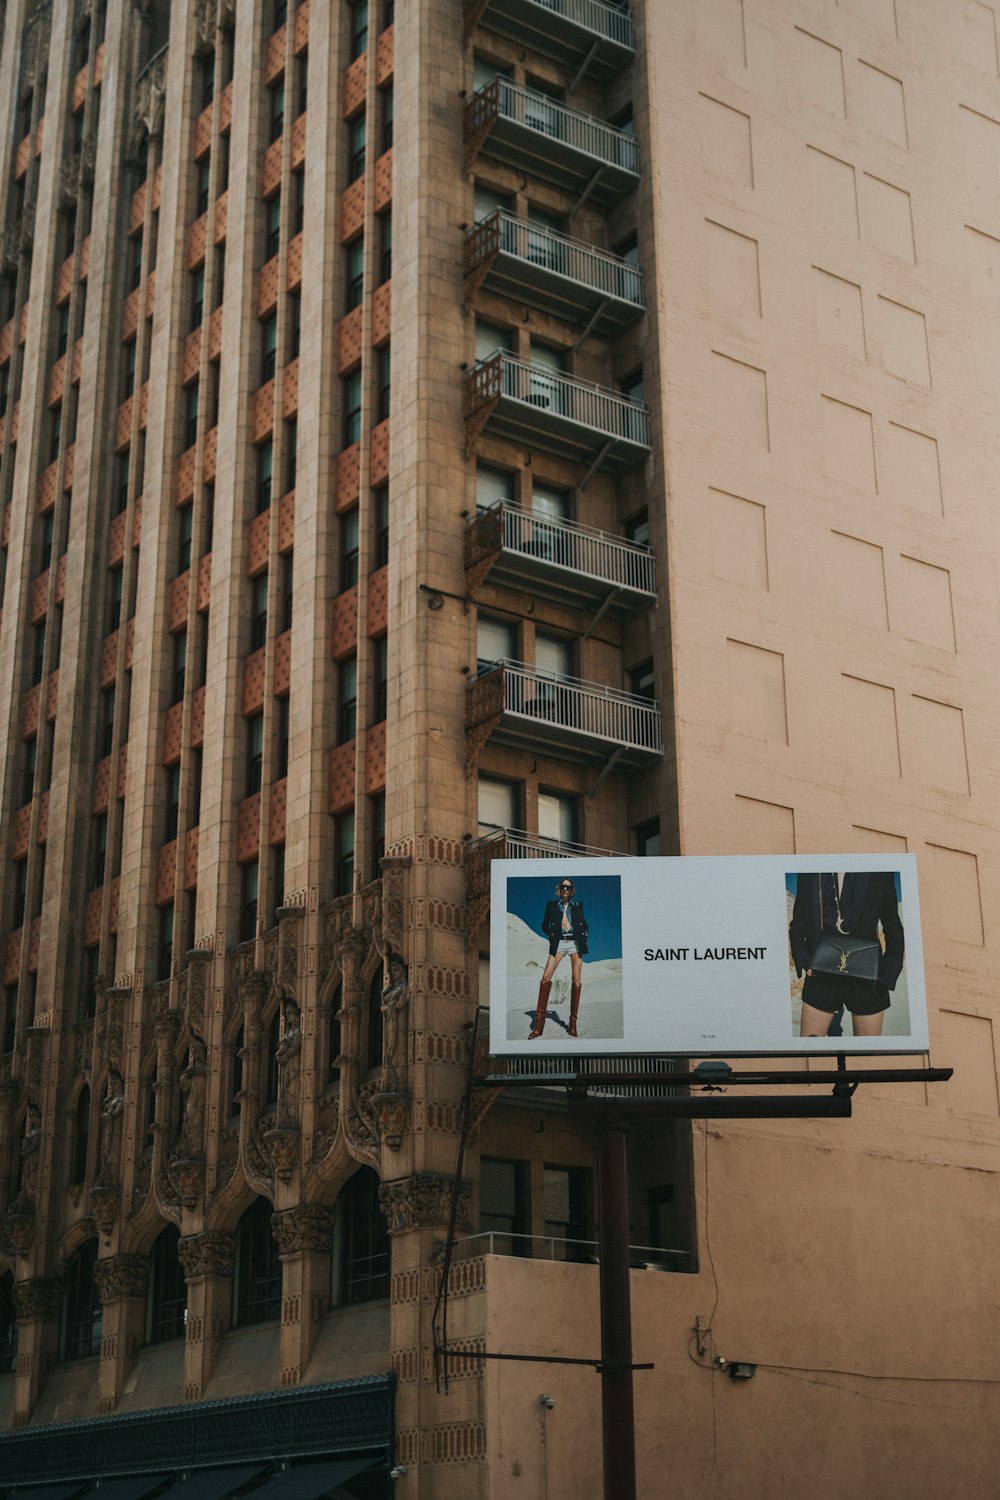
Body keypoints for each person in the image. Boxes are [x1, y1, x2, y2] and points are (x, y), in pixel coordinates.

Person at [789, 871, 904, 1038]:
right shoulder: (810, 871)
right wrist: (804, 958)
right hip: (820, 975)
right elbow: (798, 922)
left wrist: (887, 974)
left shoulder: (877, 870)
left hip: (868, 978)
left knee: (865, 1059)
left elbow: (893, 925)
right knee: (811, 1057)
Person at [529, 878, 589, 1039]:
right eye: (563, 887)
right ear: (559, 889)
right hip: (559, 944)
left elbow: (584, 924)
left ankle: (573, 1024)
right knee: (546, 977)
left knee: (576, 980)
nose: (565, 890)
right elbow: (544, 925)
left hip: (575, 944)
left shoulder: (578, 906)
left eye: (568, 887)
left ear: (572, 890)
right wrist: (553, 937)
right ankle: (538, 1026)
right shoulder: (551, 905)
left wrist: (584, 937)